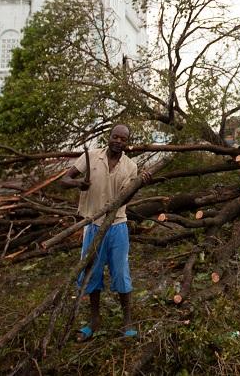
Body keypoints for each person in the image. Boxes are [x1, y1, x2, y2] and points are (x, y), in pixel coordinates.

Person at [60, 124, 150, 342]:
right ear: (108, 137)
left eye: (123, 139)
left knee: (120, 272)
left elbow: (124, 199)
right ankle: (94, 320)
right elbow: (64, 180)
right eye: (115, 137)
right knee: (92, 272)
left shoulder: (130, 166)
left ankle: (127, 321)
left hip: (117, 225)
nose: (118, 141)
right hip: (93, 224)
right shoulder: (91, 156)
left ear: (128, 142)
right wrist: (78, 183)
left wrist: (138, 186)